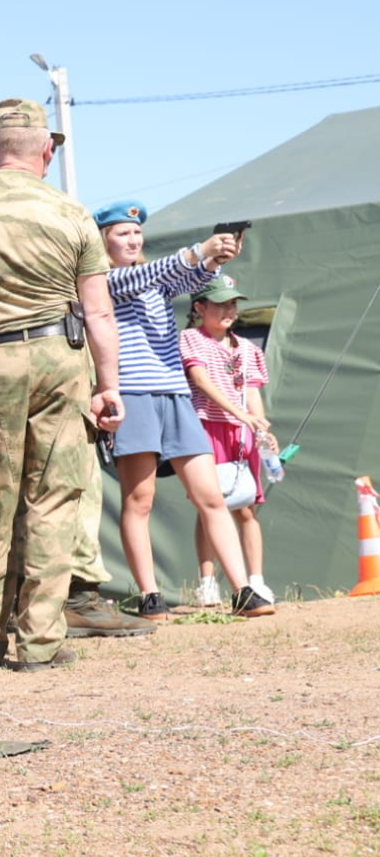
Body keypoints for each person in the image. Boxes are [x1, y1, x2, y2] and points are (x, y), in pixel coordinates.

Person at [0, 98, 123, 671]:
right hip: (63, 357)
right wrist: (109, 387)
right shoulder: (73, 213)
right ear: (47, 151)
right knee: (54, 500)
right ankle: (39, 643)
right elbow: (100, 313)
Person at [96, 202, 272, 620]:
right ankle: (150, 595)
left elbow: (187, 276)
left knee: (211, 496)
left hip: (175, 396)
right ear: (103, 239)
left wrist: (215, 259)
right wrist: (200, 250)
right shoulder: (104, 279)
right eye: (122, 233)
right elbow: (150, 274)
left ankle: (244, 590)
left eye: (136, 233)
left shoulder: (155, 279)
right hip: (134, 395)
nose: (133, 240)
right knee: (139, 500)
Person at [182, 275, 277, 606]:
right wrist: (238, 413)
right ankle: (207, 583)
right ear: (200, 307)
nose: (229, 310)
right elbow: (200, 379)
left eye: (233, 304)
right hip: (207, 426)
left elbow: (252, 390)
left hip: (242, 433)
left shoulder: (249, 349)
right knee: (210, 504)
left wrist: (261, 428)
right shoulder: (191, 339)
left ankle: (257, 581)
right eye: (220, 304)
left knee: (247, 509)